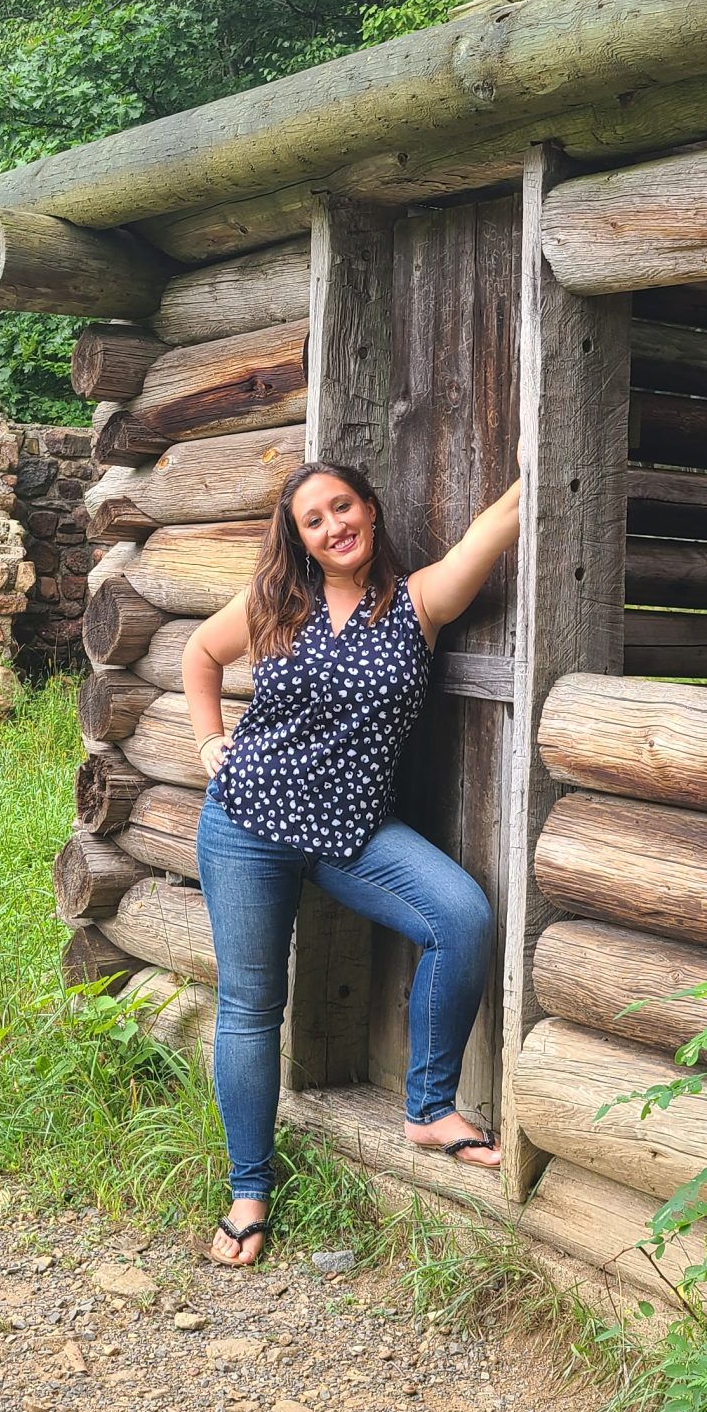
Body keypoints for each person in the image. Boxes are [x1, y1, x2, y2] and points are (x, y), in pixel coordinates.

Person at [180, 457, 523, 1267]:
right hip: (246, 822)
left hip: (352, 832)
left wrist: (547, 457)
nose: (335, 526)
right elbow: (199, 652)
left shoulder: (419, 602)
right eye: (314, 519)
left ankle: (429, 1107)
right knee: (251, 1004)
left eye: (344, 507)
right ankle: (249, 1190)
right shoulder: (276, 603)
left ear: (370, 508)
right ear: (298, 537)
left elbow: (496, 526)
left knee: (461, 915)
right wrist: (209, 745)